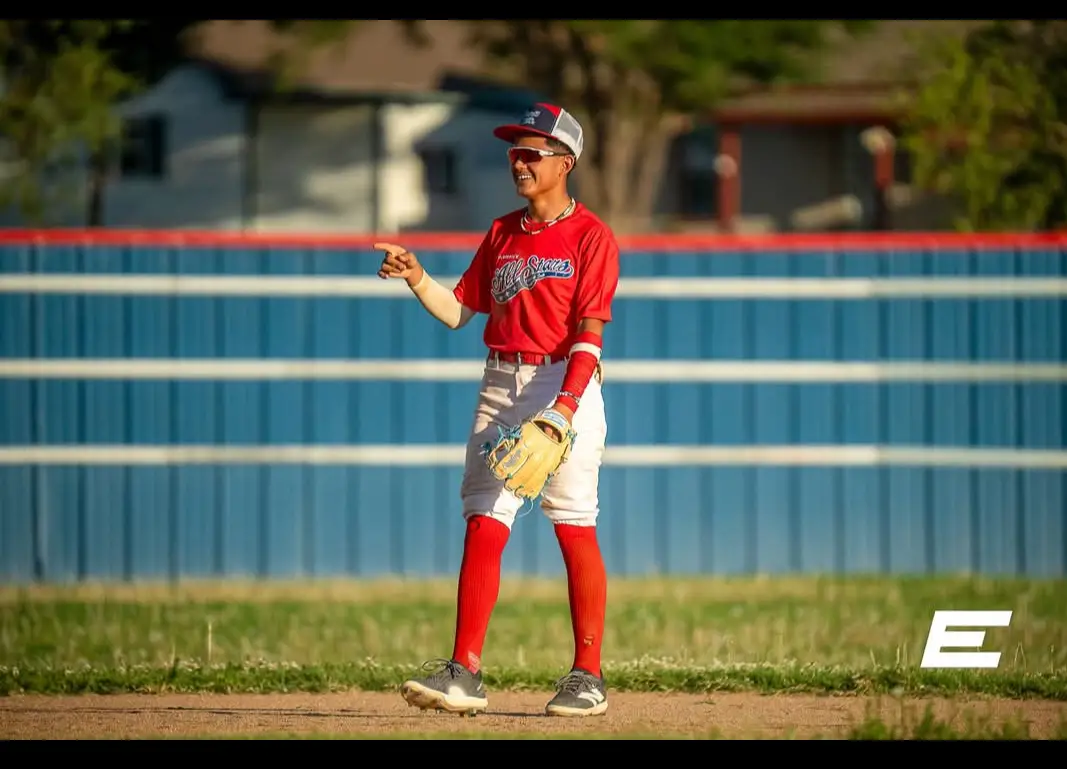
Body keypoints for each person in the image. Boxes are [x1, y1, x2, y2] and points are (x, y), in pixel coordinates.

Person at [374, 102, 620, 718]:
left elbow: (589, 335)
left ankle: (588, 677)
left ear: (565, 163)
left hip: (565, 379)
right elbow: (460, 311)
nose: (519, 163)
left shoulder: (591, 236)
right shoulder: (503, 232)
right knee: (484, 517)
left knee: (573, 522)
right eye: (514, 153)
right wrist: (417, 276)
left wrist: (563, 409)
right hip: (500, 381)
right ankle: (465, 672)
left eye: (531, 153)